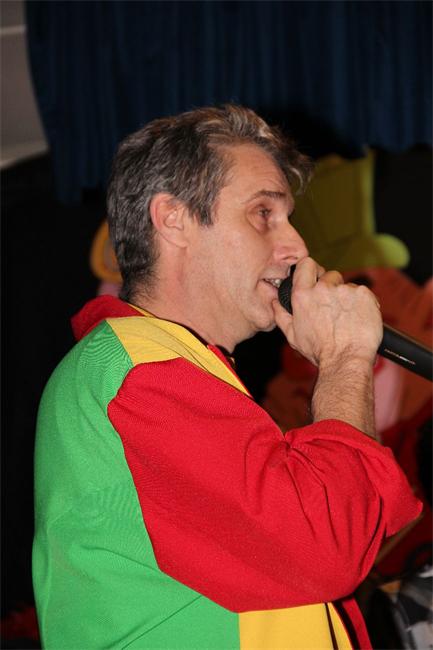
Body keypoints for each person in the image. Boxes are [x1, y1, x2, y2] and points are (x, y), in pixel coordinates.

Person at [32, 105, 421, 649]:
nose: (296, 247)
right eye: (263, 213)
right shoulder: (138, 372)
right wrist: (344, 359)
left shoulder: (173, 369)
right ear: (173, 219)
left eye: (288, 217)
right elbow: (325, 547)